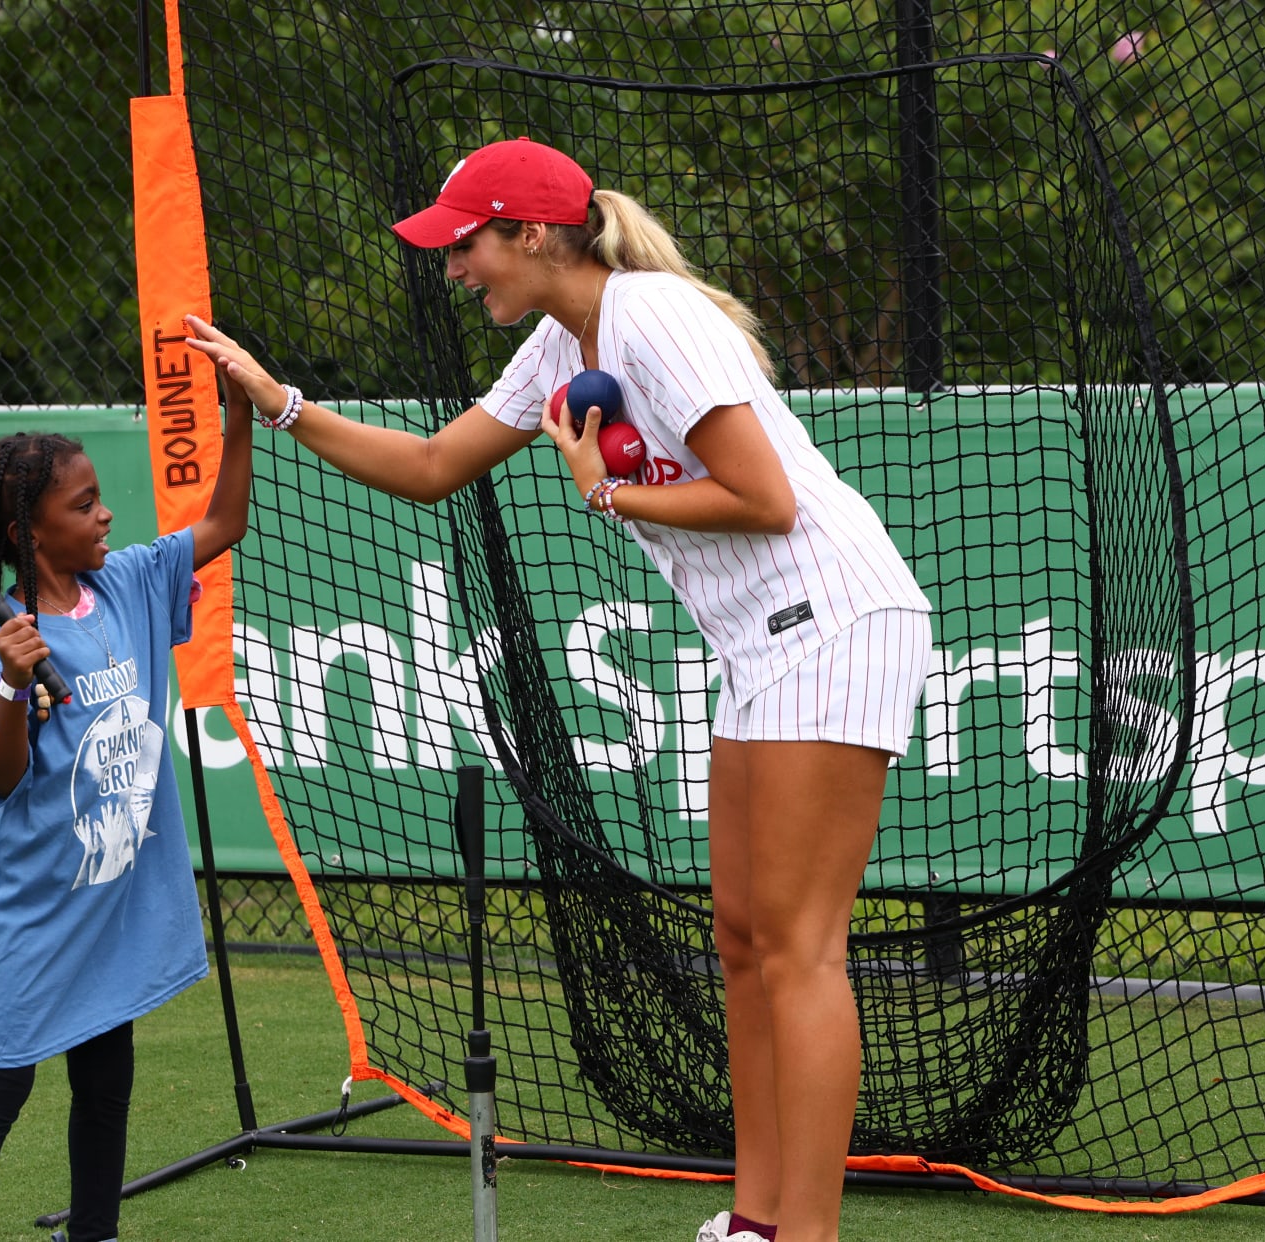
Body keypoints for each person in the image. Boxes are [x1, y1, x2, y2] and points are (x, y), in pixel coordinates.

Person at [185, 137, 931, 1242]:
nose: (454, 268)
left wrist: (607, 495)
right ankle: (758, 1219)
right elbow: (435, 468)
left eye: (466, 244)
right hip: (760, 647)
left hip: (837, 622)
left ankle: (807, 1236)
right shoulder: (558, 341)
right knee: (740, 937)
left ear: (531, 235)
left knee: (799, 944)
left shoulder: (653, 317)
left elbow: (766, 500)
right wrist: (280, 400)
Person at [0, 355, 254, 1242]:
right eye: (82, 505)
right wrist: (7, 687)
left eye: (98, 497)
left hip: (111, 897)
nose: (105, 512)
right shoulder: (2, 640)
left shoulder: (132, 583)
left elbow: (225, 518)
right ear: (27, 534)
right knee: (1, 1083)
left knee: (107, 1077)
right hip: (33, 905)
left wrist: (241, 414)